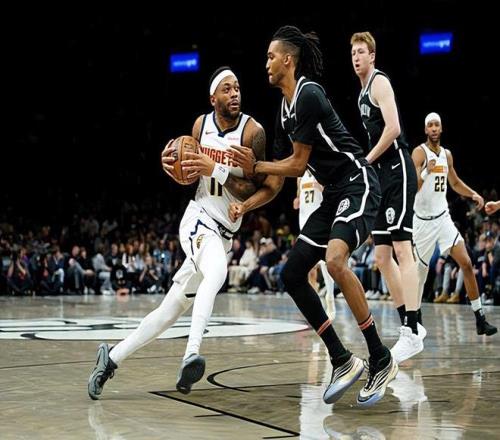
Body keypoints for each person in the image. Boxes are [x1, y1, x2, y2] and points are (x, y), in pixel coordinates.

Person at [231, 25, 397, 407]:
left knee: (335, 260)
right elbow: (276, 177)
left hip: (357, 181)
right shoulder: (283, 110)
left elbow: (296, 163)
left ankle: (380, 356)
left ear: (288, 60)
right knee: (291, 273)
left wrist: (257, 166)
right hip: (332, 193)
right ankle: (341, 358)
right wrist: (243, 198)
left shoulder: (308, 94)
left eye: (271, 56)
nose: (266, 63)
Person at [87, 66, 266, 399]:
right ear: (213, 98)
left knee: (169, 311)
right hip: (198, 219)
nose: (234, 94)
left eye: (237, 88)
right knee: (217, 273)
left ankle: (110, 358)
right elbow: (185, 168)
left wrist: (218, 170)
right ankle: (191, 354)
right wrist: (171, 163)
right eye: (227, 89)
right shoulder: (200, 126)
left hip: (224, 234)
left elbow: (252, 189)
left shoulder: (253, 132)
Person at [351, 31, 422, 364]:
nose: (356, 57)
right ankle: (408, 323)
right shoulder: (360, 94)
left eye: (361, 52)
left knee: (402, 249)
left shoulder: (380, 83)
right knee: (381, 256)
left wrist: (367, 159)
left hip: (398, 170)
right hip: (381, 175)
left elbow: (393, 128)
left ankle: (413, 328)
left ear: (372, 56)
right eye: (353, 53)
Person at [412, 112, 496, 336]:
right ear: (425, 130)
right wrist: (426, 171)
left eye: (436, 125)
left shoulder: (446, 155)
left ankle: (480, 318)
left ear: (441, 128)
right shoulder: (419, 152)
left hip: (443, 218)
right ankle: (414, 317)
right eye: (430, 125)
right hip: (423, 222)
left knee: (466, 263)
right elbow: (412, 186)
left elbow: (455, 182)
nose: (433, 128)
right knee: (419, 273)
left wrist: (473, 194)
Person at [293, 170, 335, 317]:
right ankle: (314, 307)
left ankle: (330, 297)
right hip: (304, 221)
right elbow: (298, 198)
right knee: (309, 268)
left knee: (325, 263)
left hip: (319, 221)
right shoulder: (300, 176)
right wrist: (297, 200)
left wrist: (320, 187)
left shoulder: (321, 171)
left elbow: (331, 195)